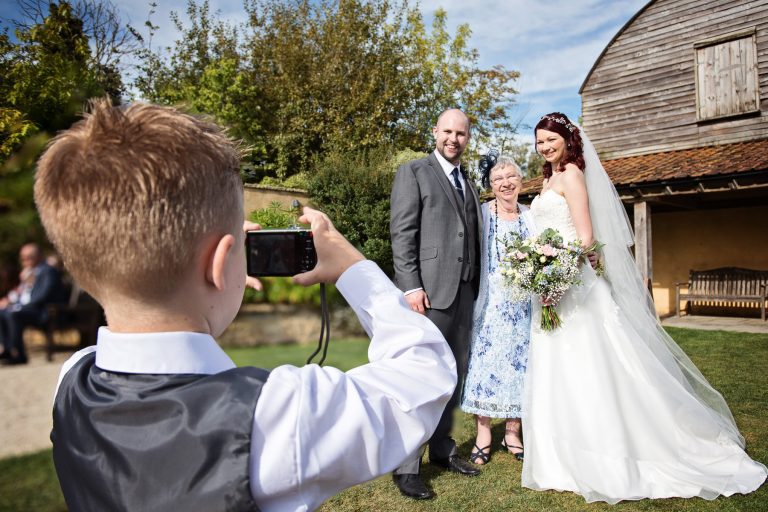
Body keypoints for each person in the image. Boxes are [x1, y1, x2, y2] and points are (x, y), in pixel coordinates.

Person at [38, 98, 458, 512]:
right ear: (219, 265)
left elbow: (159, 336)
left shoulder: (72, 380)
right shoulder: (276, 417)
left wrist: (209, 265)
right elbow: (428, 372)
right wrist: (352, 266)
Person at [522, 112, 767, 502]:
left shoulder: (572, 175)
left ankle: (609, 453)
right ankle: (561, 457)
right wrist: (537, 273)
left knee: (592, 368)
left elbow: (585, 238)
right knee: (558, 368)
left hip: (574, 287)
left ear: (568, 140)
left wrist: (557, 277)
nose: (545, 147)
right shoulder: (548, 179)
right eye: (539, 141)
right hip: (550, 289)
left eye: (551, 139)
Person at [389, 108, 482, 499]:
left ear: (467, 138)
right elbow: (402, 232)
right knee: (422, 376)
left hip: (465, 293)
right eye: (447, 131)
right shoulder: (414, 172)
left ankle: (443, 449)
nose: (453, 139)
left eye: (460, 134)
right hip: (428, 293)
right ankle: (407, 466)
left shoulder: (468, 181)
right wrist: (411, 286)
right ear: (435, 132)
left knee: (453, 376)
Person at [459, 153, 534, 465]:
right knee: (484, 365)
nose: (506, 183)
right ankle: (484, 434)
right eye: (498, 179)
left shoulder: (530, 215)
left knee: (522, 366)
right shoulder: (482, 215)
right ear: (491, 186)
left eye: (511, 176)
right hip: (489, 304)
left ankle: (512, 433)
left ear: (521, 181)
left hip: (524, 307)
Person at [0, 243, 65, 365]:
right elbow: (23, 295)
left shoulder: (48, 271)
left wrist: (18, 306)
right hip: (30, 309)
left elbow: (43, 295)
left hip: (44, 312)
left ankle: (18, 354)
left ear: (39, 256)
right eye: (22, 258)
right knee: (2, 312)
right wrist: (11, 302)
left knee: (12, 314)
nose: (24, 261)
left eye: (28, 257)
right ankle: (7, 349)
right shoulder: (29, 272)